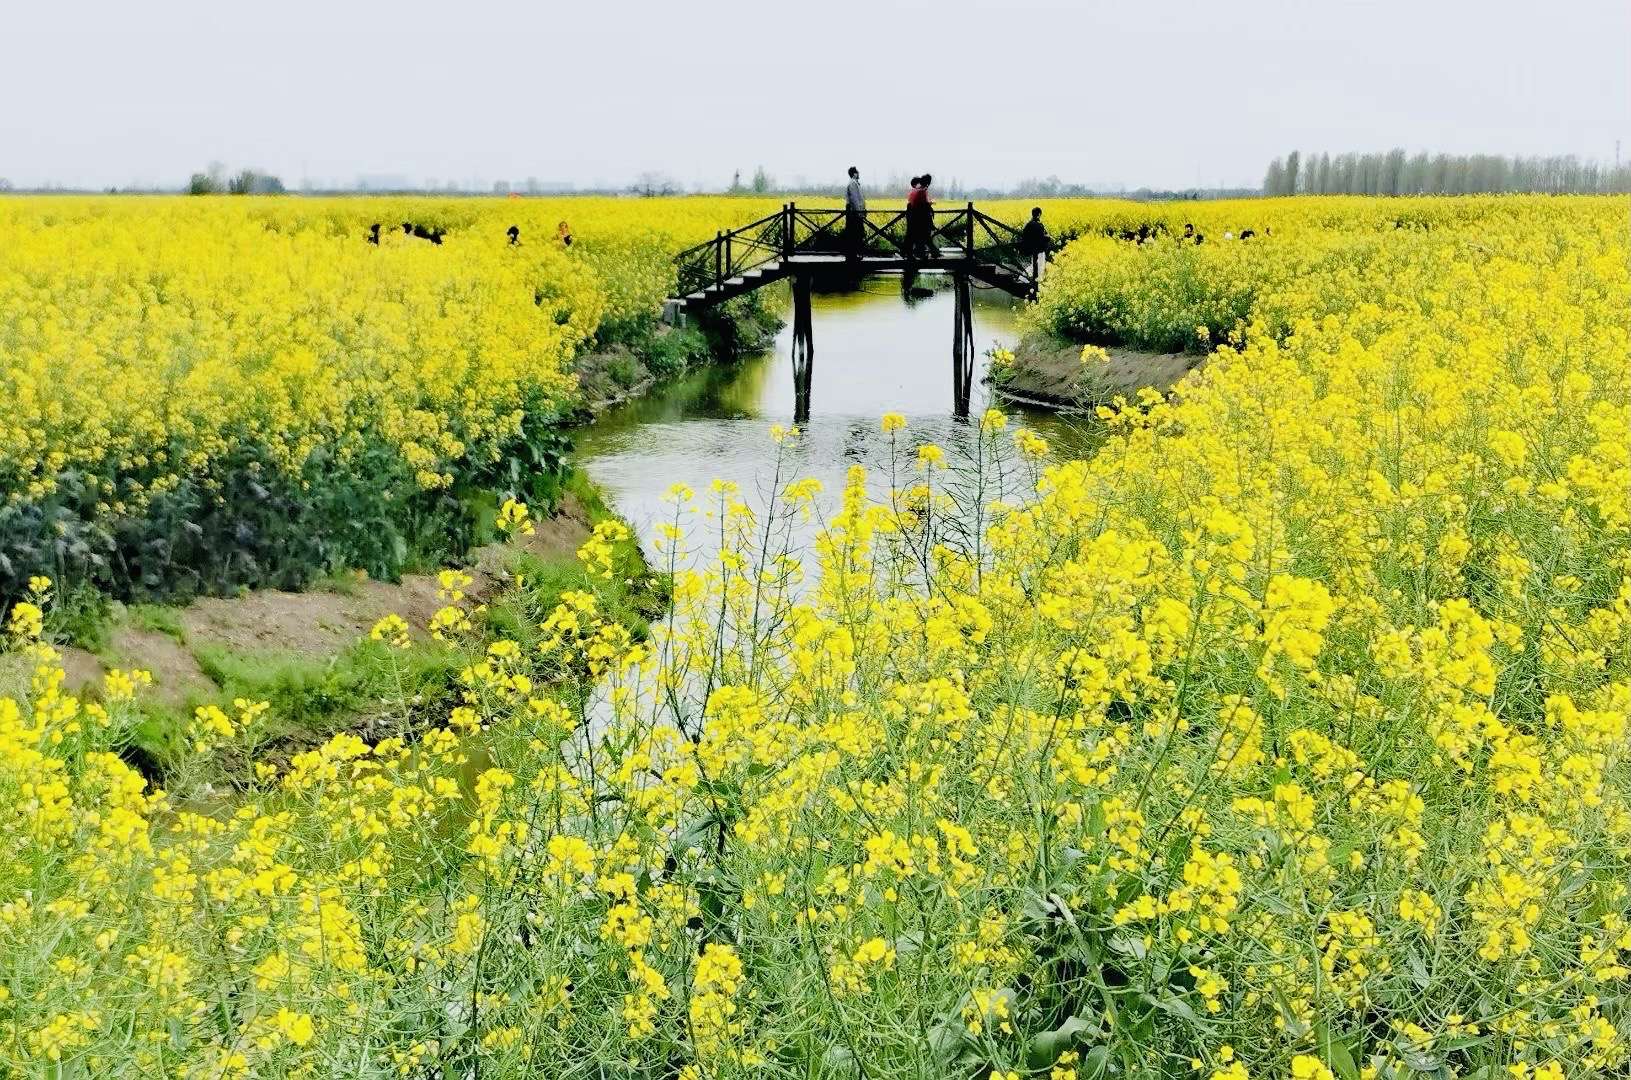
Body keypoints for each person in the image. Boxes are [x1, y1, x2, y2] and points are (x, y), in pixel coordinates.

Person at [905, 174, 936, 260]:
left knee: (915, 237)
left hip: (913, 217)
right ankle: (926, 254)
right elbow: (923, 205)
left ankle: (915, 254)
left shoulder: (915, 190)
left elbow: (915, 202)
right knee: (923, 237)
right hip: (920, 218)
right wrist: (930, 204)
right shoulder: (922, 191)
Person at [1019, 206, 1053, 281]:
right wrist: (1048, 237)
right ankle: (1035, 280)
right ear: (1039, 214)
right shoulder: (1038, 224)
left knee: (1034, 264)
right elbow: (1042, 236)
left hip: (1031, 249)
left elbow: (1025, 235)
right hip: (1039, 249)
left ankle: (1028, 278)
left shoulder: (1028, 224)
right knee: (1039, 265)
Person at [844, 166, 866, 260]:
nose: (859, 174)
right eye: (857, 172)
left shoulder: (855, 183)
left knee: (856, 233)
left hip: (855, 212)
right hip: (854, 213)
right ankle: (853, 254)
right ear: (854, 174)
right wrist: (859, 212)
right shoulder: (853, 184)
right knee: (855, 233)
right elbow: (854, 199)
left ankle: (854, 253)